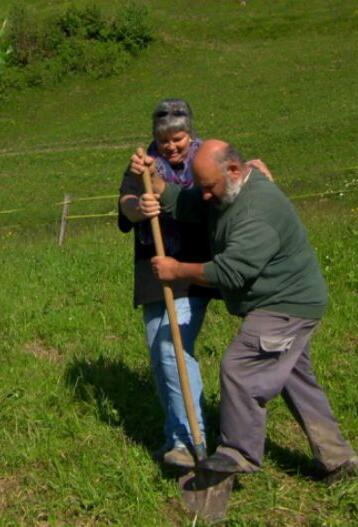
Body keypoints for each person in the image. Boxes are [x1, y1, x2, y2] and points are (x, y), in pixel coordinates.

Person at [141, 139, 357, 481]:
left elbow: (230, 271)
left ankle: (238, 452)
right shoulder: (228, 189)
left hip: (287, 305)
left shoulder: (258, 211)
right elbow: (189, 204)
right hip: (277, 300)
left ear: (235, 170)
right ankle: (339, 460)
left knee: (240, 366)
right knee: (295, 380)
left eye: (209, 187)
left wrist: (177, 269)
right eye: (203, 187)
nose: (206, 195)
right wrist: (155, 180)